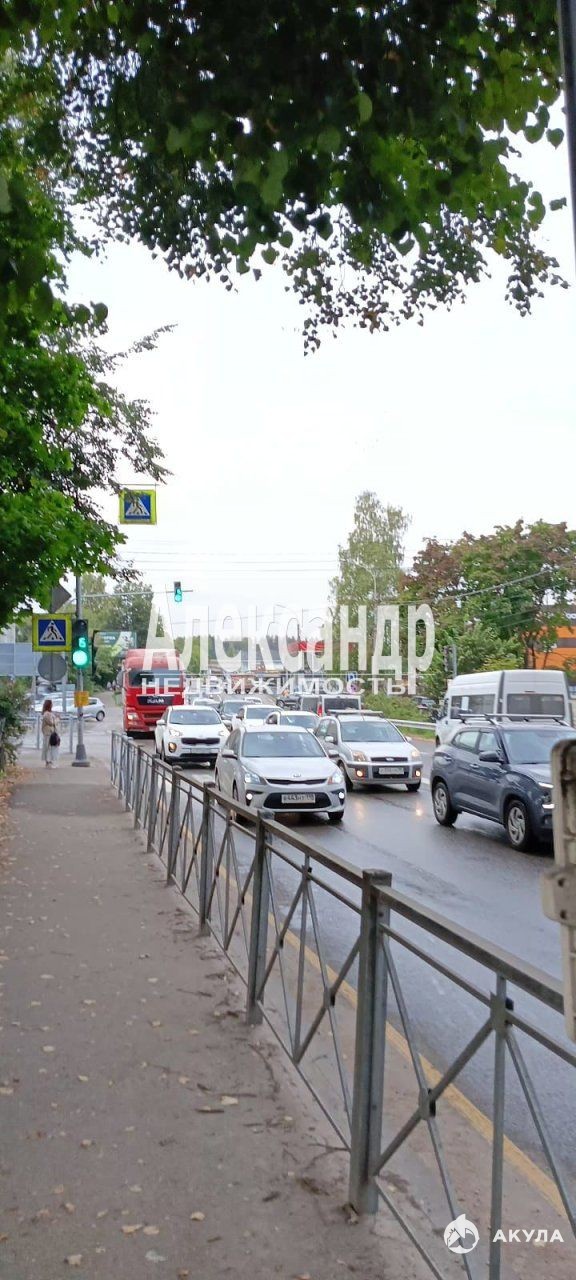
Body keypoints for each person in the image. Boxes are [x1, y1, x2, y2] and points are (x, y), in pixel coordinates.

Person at [41, 698, 60, 769]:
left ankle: (50, 761)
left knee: (50, 747)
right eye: (51, 704)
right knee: (48, 747)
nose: (52, 705)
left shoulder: (48, 713)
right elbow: (51, 723)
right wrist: (57, 719)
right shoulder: (47, 714)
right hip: (49, 733)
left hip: (50, 733)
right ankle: (48, 762)